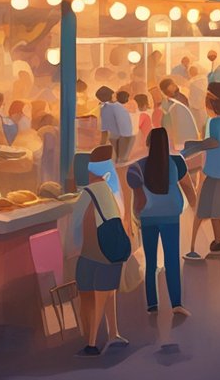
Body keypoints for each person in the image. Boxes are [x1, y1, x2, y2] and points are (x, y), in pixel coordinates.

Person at [127, 127, 195, 315]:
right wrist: (195, 208)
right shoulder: (177, 162)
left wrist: (136, 218)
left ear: (148, 144)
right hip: (171, 216)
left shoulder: (136, 167)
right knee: (172, 259)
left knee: (150, 261)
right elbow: (189, 188)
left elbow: (138, 200)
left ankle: (152, 305)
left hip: (148, 217)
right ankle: (176, 304)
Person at [70, 146, 128, 356]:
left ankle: (91, 343)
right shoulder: (112, 191)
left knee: (89, 297)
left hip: (90, 254)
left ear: (91, 170)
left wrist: (71, 248)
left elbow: (75, 225)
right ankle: (113, 334)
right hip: (110, 252)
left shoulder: (87, 193)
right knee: (107, 294)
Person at [186, 82, 220, 260]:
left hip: (218, 171)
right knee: (213, 208)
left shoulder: (215, 122)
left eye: (207, 99)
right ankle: (216, 241)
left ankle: (217, 242)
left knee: (211, 208)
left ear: (214, 102)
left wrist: (193, 147)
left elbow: (215, 142)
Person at [158, 79, 199, 152]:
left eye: (173, 85)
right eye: (170, 87)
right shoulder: (166, 104)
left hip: (185, 131)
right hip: (177, 135)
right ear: (165, 91)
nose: (173, 87)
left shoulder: (181, 97)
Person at [97, 86, 135, 164]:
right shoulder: (117, 107)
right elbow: (124, 125)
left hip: (113, 138)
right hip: (124, 137)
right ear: (111, 95)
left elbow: (104, 129)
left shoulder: (103, 108)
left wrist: (102, 145)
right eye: (114, 94)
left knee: (115, 161)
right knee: (122, 162)